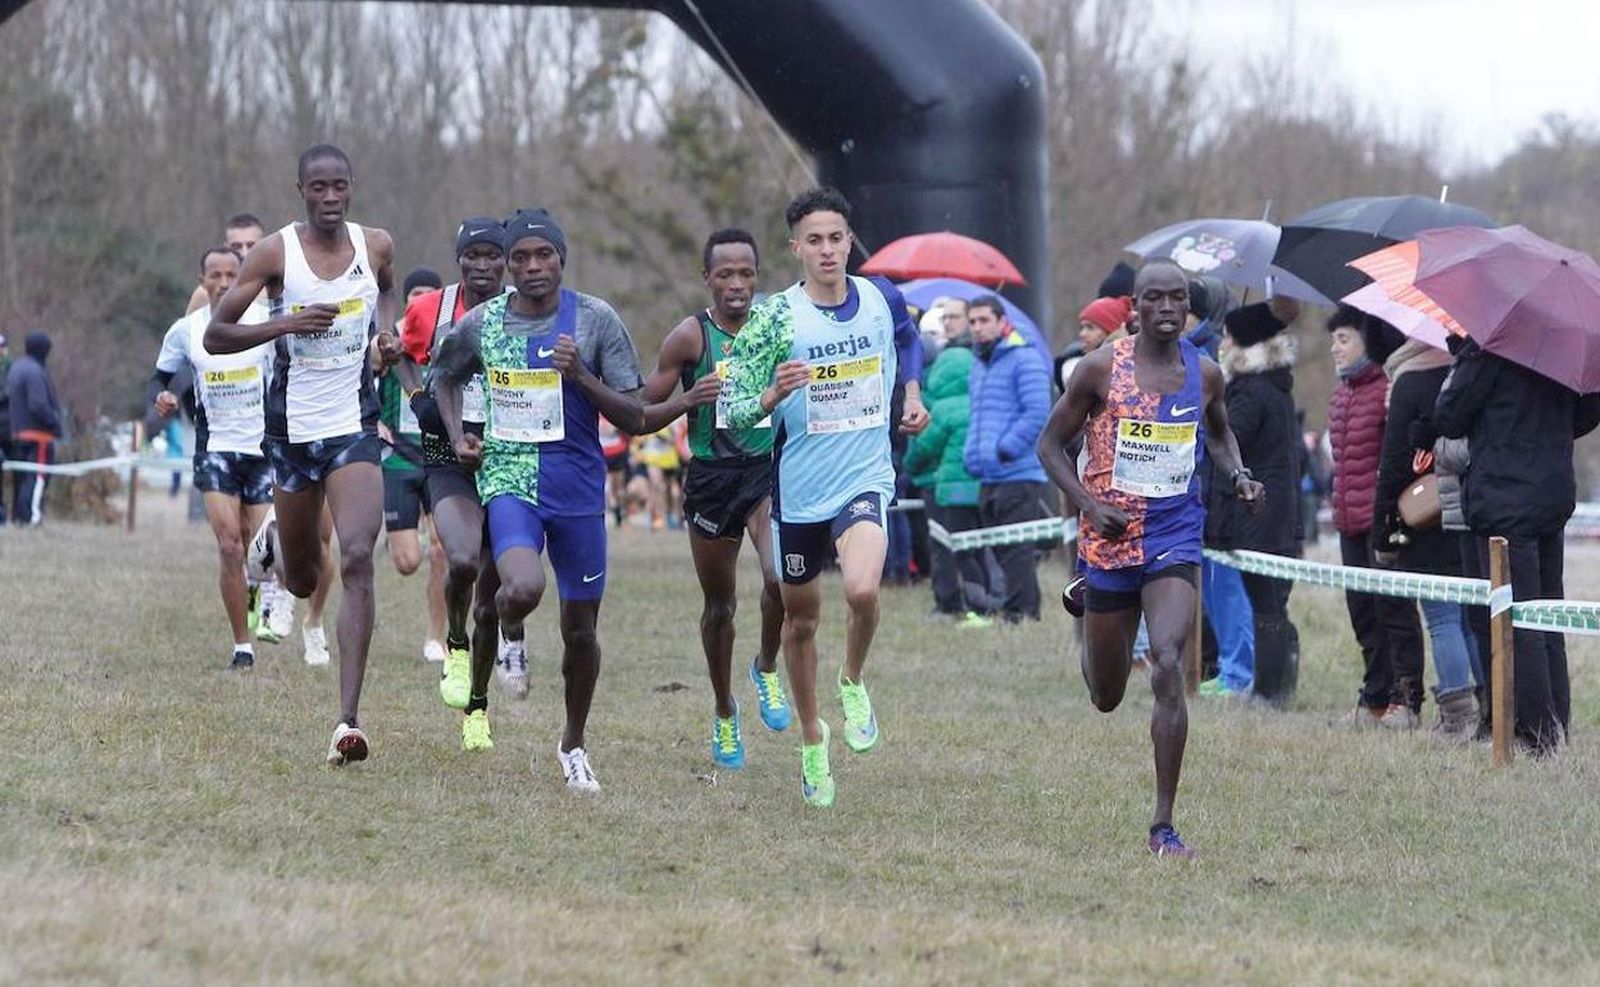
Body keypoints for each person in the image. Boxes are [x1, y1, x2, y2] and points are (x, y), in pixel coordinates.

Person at [1043, 259, 1263, 858]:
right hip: (1109, 538)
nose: (1167, 309)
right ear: (1134, 308)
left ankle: (1163, 825)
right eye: (1154, 299)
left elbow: (1218, 434)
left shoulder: (1208, 374)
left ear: (1187, 309)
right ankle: (1088, 604)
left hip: (1174, 534)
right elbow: (1050, 444)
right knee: (1106, 695)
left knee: (1167, 661)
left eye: (1177, 300)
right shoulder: (1098, 370)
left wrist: (1238, 475)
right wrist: (1088, 504)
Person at [724, 186, 927, 808]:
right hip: (799, 492)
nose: (828, 250)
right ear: (796, 249)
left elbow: (907, 338)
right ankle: (813, 738)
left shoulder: (879, 295)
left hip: (865, 474)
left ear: (849, 241)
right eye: (814, 240)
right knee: (801, 621)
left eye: (836, 237)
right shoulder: (774, 318)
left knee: (864, 589)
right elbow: (731, 415)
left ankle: (853, 679)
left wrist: (912, 394)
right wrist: (768, 395)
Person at [432, 208, 645, 790]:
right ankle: (509, 634)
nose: (531, 267)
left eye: (542, 255)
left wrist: (581, 377)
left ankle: (573, 744)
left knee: (580, 632)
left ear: (560, 258)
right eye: (519, 257)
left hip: (577, 485)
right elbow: (441, 375)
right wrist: (458, 438)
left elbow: (635, 414)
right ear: (507, 265)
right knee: (521, 588)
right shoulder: (483, 322)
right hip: (510, 477)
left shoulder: (596, 320)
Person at [207, 144, 401, 766]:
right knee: (302, 577)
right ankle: (271, 549)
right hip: (290, 430)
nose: (329, 197)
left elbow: (385, 295)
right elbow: (217, 333)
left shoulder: (375, 246)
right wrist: (285, 325)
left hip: (354, 424)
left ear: (351, 187)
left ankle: (347, 720)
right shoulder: (275, 253)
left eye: (339, 186)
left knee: (358, 556)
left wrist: (385, 337)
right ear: (300, 190)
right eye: (317, 188)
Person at [635, 227, 791, 769]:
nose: (737, 284)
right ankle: (725, 709)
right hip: (710, 478)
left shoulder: (777, 329)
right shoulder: (690, 338)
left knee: (780, 580)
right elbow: (640, 412)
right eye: (725, 273)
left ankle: (766, 667)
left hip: (765, 472)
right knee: (720, 607)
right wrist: (688, 400)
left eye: (746, 273)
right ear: (707, 279)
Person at [1435, 336, 1600, 757]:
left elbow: (1449, 416)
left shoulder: (1491, 350)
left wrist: (1469, 356)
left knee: (1518, 620)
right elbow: (1587, 413)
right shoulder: (1568, 348)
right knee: (1548, 615)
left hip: (1506, 498)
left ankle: (1537, 733)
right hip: (1551, 492)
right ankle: (1556, 722)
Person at [401, 218, 520, 734]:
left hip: (509, 459)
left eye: (493, 256)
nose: (483, 265)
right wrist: (416, 396)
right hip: (446, 456)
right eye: (472, 256)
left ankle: (477, 710)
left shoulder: (528, 309)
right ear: (459, 261)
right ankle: (454, 641)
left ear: (507, 261)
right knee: (462, 558)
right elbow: (400, 352)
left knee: (493, 601)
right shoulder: (431, 309)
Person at [152, 246, 274, 669]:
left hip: (261, 450)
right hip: (216, 450)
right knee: (229, 546)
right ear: (202, 281)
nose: (223, 283)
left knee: (263, 549)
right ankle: (243, 646)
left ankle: (261, 592)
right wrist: (163, 396)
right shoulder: (187, 330)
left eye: (231, 275)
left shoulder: (264, 321)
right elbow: (162, 375)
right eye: (214, 275)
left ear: (243, 279)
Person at [1370, 337, 1482, 741]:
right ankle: (1486, 708)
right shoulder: (1469, 372)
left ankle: (1457, 715)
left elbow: (1394, 463)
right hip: (1471, 512)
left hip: (1425, 517)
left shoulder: (1411, 381)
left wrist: (1382, 530)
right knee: (1471, 620)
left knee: (1441, 619)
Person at [1324, 306, 1424, 727]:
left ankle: (1408, 698)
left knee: (1393, 610)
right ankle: (1375, 695)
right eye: (1333, 341)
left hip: (1382, 521)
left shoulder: (1386, 389)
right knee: (1362, 611)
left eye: (1344, 339)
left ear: (1368, 342)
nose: (1335, 348)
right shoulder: (1341, 394)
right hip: (1347, 520)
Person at [1207, 300, 1305, 707]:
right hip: (1277, 511)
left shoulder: (1249, 390)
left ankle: (1269, 691)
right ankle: (1276, 684)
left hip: (1257, 512)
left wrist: (1214, 412)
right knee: (1272, 603)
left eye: (1228, 335)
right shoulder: (1275, 384)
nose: (1222, 343)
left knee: (1265, 602)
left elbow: (1231, 442)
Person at [964, 295, 1054, 623]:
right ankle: (1014, 609)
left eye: (984, 320)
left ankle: (1022, 613)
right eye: (972, 321)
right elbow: (978, 416)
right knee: (1001, 550)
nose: (977, 327)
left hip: (1018, 471)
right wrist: (973, 455)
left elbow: (1037, 413)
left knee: (1017, 550)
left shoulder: (1024, 358)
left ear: (1002, 321)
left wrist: (1006, 449)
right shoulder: (978, 364)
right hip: (987, 474)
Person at [378, 266, 448, 665]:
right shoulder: (390, 341)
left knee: (444, 551)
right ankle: (406, 537)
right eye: (415, 292)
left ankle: (435, 638)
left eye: (430, 293)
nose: (422, 299)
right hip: (399, 460)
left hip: (440, 458)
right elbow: (361, 382)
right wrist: (374, 422)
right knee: (408, 563)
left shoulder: (451, 336)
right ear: (405, 299)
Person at [903, 339, 993, 623]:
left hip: (948, 490)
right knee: (980, 546)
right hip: (984, 487)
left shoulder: (941, 409)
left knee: (945, 547)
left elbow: (923, 449)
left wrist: (909, 466)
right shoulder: (984, 404)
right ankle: (986, 599)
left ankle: (950, 603)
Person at [7, 331, 64, 525]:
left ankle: (19, 516)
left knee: (21, 479)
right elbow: (38, 404)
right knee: (37, 478)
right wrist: (55, 424)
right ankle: (31, 517)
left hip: (18, 433)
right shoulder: (35, 371)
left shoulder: (16, 368)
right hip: (38, 436)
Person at [188, 214, 267, 314]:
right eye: (236, 246)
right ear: (226, 247)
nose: (244, 253)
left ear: (264, 245)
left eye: (251, 245)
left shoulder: (278, 286)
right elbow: (189, 327)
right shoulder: (206, 293)